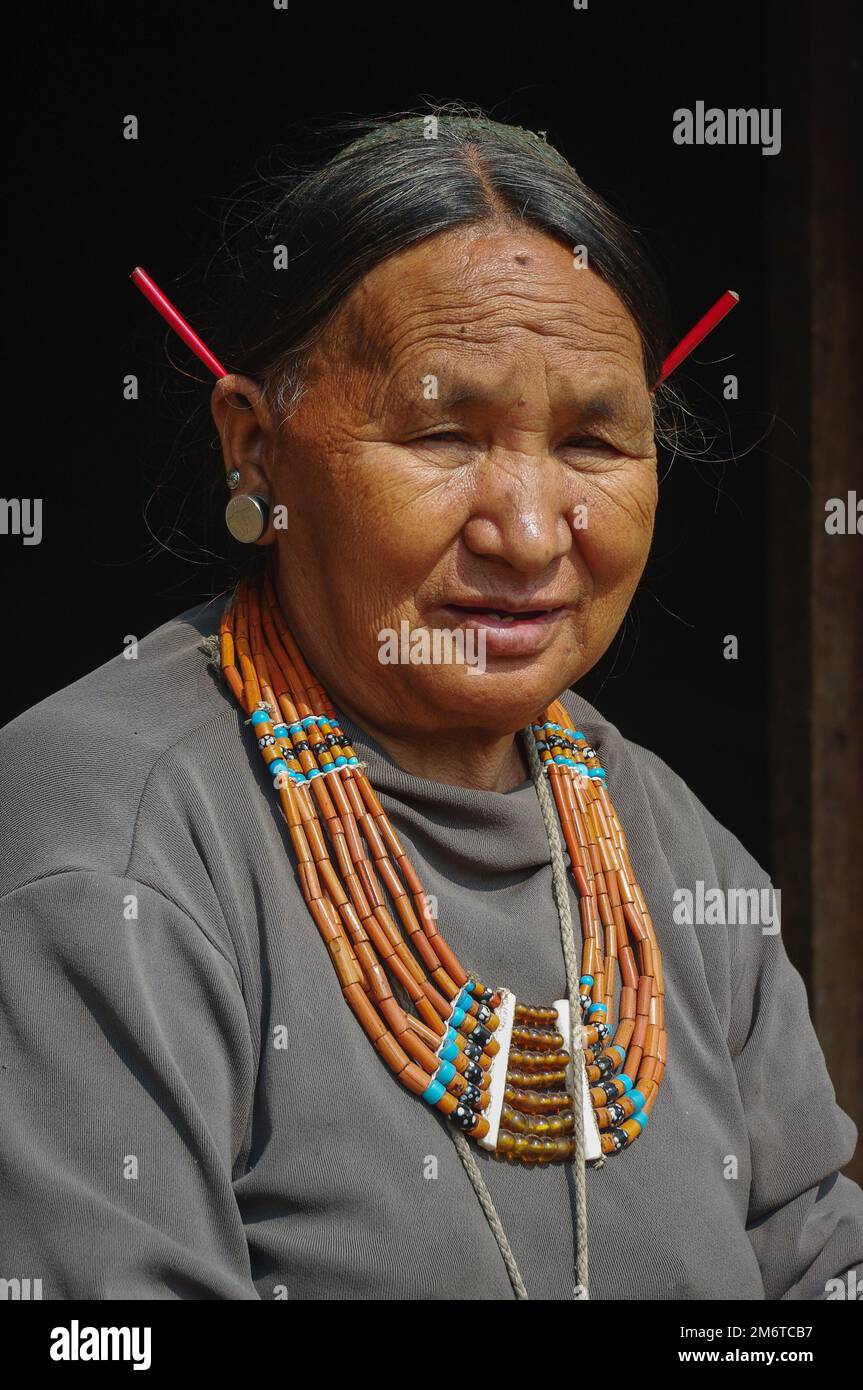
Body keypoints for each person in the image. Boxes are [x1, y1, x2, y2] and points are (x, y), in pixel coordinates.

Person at [1, 112, 860, 1301]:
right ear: (253, 448)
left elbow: (814, 1258)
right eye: (444, 431)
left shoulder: (664, 844)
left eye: (593, 440)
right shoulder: (109, 837)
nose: (524, 528)